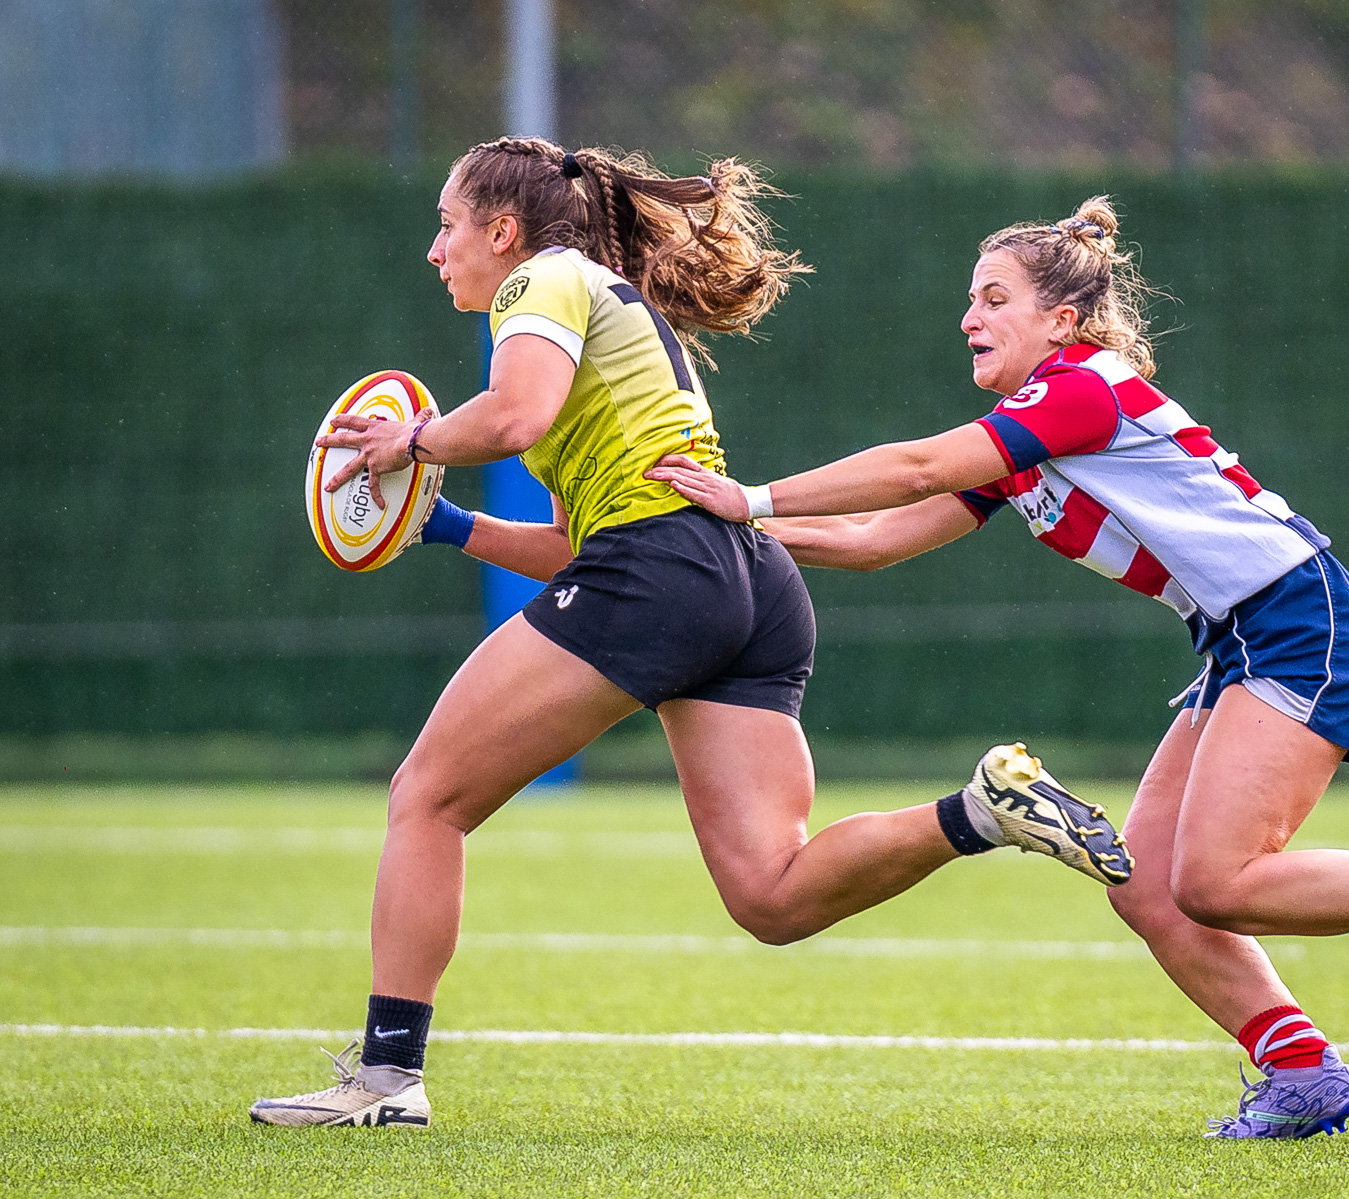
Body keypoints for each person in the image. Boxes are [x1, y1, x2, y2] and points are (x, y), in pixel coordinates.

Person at [249, 140, 1132, 1128]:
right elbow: (578, 545)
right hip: (744, 579)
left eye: (447, 225)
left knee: (426, 798)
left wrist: (410, 440)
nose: (434, 249)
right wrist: (446, 523)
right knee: (773, 894)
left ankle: (385, 1079)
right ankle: (981, 811)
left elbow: (513, 416)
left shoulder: (541, 280)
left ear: (503, 232)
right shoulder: (607, 308)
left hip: (664, 573)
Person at [647, 196, 1349, 1140]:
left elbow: (917, 467)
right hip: (1245, 639)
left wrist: (750, 496)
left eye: (994, 299)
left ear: (1063, 321)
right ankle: (1303, 1073)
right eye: (971, 299)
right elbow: (875, 539)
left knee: (1216, 881)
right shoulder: (1028, 432)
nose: (969, 317)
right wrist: (725, 525)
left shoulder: (1082, 388)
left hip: (1302, 623)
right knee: (1146, 883)